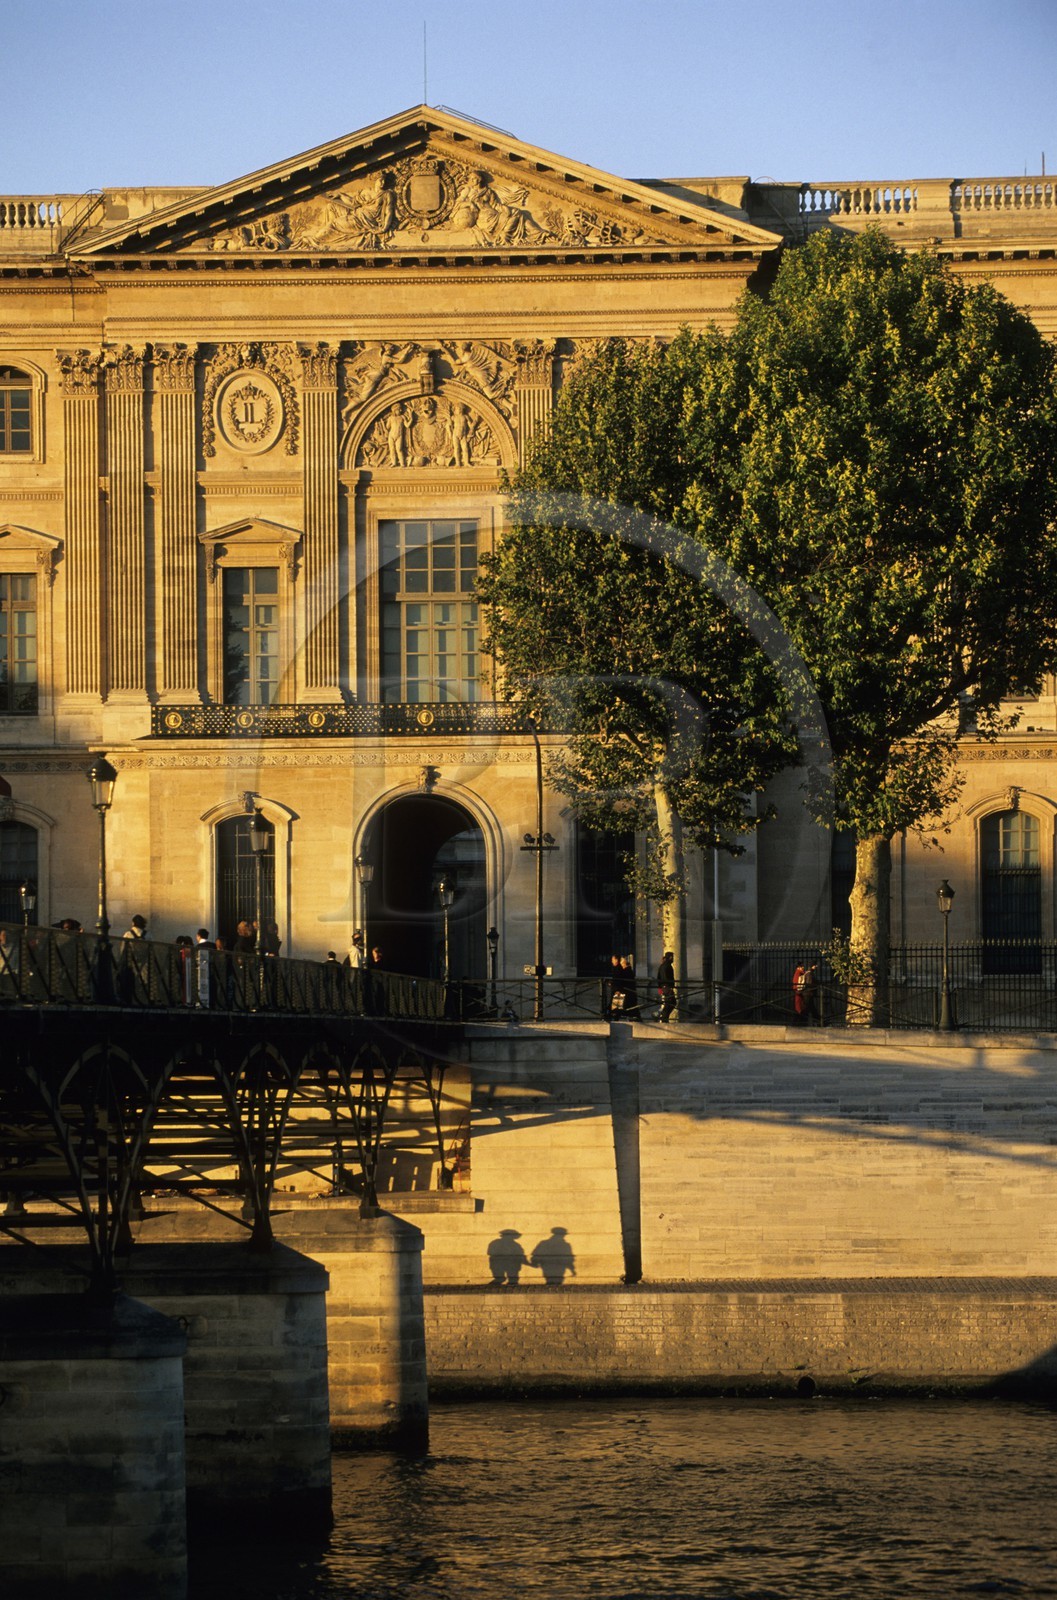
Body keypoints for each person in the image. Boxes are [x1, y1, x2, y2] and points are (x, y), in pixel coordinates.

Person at [657, 950, 676, 1024]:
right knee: (671, 1002)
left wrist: (660, 987)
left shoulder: (662, 965)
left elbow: (658, 977)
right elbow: (666, 977)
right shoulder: (667, 965)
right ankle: (663, 1017)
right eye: (672, 957)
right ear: (670, 957)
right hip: (666, 987)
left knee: (669, 1003)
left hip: (664, 987)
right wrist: (669, 987)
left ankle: (664, 1017)